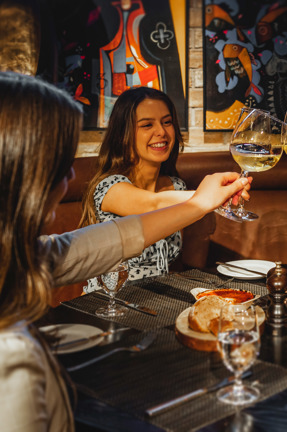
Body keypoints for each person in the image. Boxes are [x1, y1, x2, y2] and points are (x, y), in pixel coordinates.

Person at [0, 71, 248, 431]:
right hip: (112, 321)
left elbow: (108, 240)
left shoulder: (23, 255)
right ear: (22, 171)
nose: (70, 176)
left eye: (166, 123)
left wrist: (201, 205)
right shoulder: (12, 356)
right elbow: (148, 208)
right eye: (60, 163)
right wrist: (201, 201)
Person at [79, 87, 194, 291]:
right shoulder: (109, 187)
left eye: (167, 122)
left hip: (156, 302)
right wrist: (212, 196)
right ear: (125, 133)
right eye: (147, 125)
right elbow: (153, 205)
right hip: (107, 304)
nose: (161, 132)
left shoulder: (177, 187)